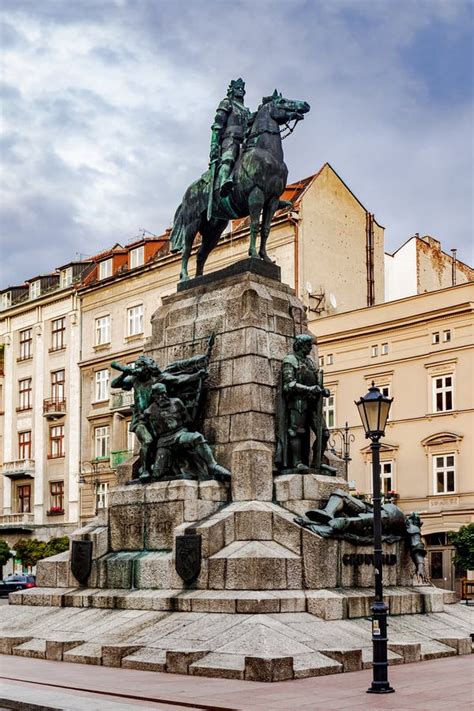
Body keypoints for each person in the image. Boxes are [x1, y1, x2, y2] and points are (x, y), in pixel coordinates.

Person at [111, 356, 205, 482]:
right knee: (148, 440)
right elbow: (114, 384)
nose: (138, 369)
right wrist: (125, 373)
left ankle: (164, 466)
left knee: (160, 444)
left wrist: (197, 375)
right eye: (137, 366)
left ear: (148, 368)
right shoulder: (134, 379)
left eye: (140, 366)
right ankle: (145, 470)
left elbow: (179, 380)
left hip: (156, 418)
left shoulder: (159, 378)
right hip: (140, 419)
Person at [145, 383, 231, 482]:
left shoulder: (176, 402)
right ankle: (154, 467)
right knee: (157, 474)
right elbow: (152, 433)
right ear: (154, 396)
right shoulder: (149, 412)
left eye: (164, 393)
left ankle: (213, 466)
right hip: (164, 442)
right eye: (159, 395)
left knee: (197, 437)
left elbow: (188, 420)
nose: (163, 397)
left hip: (180, 434)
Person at [275, 334, 332, 473]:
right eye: (308, 345)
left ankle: (316, 462)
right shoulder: (290, 360)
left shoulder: (310, 362)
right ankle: (297, 462)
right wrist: (309, 389)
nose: (311, 347)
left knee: (324, 433)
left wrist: (323, 390)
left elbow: (315, 382)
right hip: (297, 403)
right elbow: (288, 385)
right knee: (296, 432)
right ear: (301, 345)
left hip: (313, 404)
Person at [210, 78, 252, 196]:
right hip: (230, 139)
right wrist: (214, 143)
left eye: (242, 89)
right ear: (232, 91)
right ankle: (224, 182)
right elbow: (217, 124)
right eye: (238, 88)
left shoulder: (247, 111)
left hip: (245, 141)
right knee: (229, 157)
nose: (241, 91)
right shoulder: (227, 103)